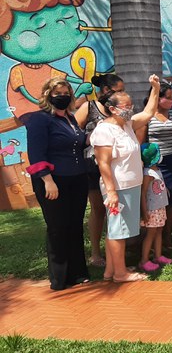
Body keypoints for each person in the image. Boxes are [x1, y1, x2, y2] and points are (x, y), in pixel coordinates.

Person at [91, 74, 160, 283]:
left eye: (130, 105)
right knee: (117, 230)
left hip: (130, 186)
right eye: (126, 106)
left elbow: (148, 112)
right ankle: (121, 274)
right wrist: (111, 192)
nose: (130, 109)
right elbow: (103, 163)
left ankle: (111, 271)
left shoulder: (127, 125)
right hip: (117, 189)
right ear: (112, 108)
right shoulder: (104, 130)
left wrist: (155, 88)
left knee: (118, 230)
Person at [25, 78, 90, 290]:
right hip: (53, 181)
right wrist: (47, 180)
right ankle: (59, 277)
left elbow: (79, 143)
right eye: (57, 93)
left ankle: (78, 273)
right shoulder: (40, 119)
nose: (62, 96)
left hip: (77, 179)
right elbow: (36, 153)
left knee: (74, 226)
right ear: (48, 95)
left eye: (66, 92)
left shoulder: (70, 118)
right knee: (57, 227)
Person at [75, 73, 125, 268]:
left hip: (117, 166)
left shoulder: (118, 110)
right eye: (119, 90)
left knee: (117, 208)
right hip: (92, 166)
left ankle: (117, 249)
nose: (122, 93)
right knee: (98, 209)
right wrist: (88, 138)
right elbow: (74, 134)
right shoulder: (89, 107)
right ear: (106, 90)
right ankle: (96, 253)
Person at [146, 82, 172, 250]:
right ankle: (152, 238)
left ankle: (167, 238)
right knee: (155, 201)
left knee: (170, 201)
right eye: (167, 98)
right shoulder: (147, 116)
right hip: (155, 164)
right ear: (157, 97)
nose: (171, 100)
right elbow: (143, 141)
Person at [138, 143, 172, 273]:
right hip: (152, 209)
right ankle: (144, 260)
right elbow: (144, 191)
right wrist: (144, 210)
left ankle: (158, 255)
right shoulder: (148, 173)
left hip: (160, 206)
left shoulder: (156, 170)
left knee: (159, 230)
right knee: (151, 233)